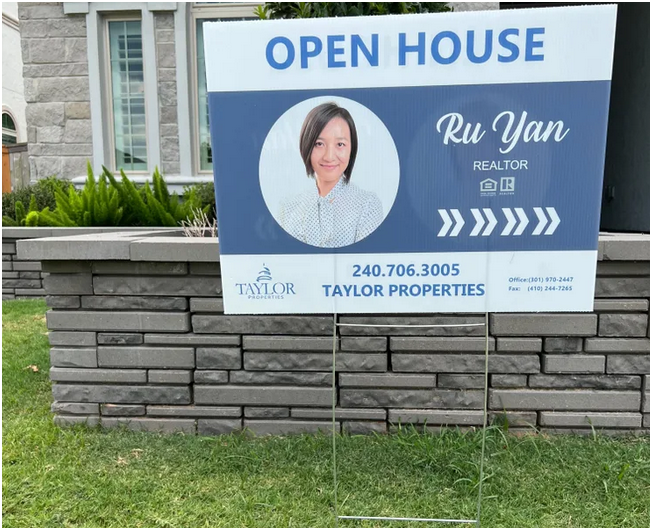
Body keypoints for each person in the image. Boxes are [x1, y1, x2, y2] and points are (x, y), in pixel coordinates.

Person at [278, 102, 383, 248]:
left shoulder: (367, 205)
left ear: (351, 149)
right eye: (319, 144)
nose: (329, 156)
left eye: (340, 144)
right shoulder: (288, 207)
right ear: (306, 146)